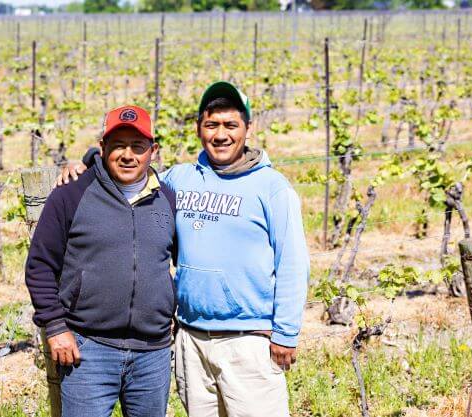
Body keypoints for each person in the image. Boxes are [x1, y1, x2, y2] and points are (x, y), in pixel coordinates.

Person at [60, 81, 310, 417]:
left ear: (248, 128)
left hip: (249, 340)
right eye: (212, 125)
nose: (221, 135)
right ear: (198, 129)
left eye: (231, 125)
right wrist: (91, 161)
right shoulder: (179, 179)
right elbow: (131, 173)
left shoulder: (273, 188)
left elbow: (293, 262)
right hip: (190, 339)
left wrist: (286, 333)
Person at [26, 105, 178, 417]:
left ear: (154, 150)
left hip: (153, 353)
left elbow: (185, 262)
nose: (128, 155)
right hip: (87, 349)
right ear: (102, 147)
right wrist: (55, 326)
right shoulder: (71, 194)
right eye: (118, 145)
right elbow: (40, 264)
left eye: (137, 146)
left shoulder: (168, 198)